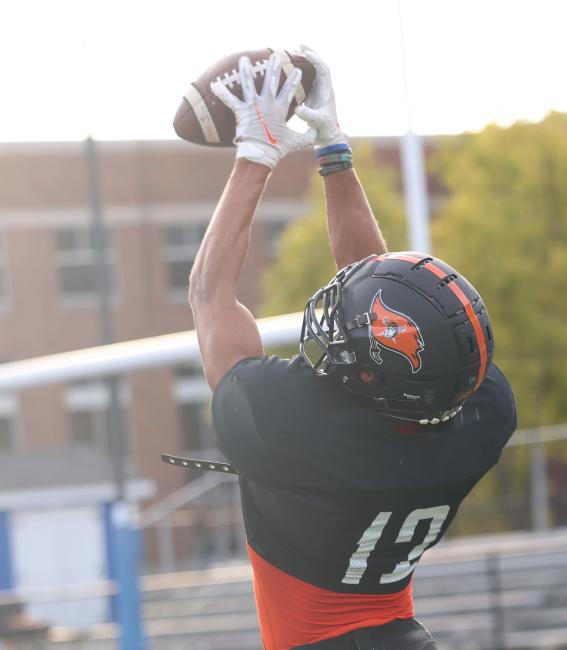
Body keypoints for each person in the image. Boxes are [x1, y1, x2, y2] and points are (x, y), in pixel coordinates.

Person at [189, 47, 516, 650]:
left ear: (373, 381)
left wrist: (256, 154)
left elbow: (211, 297)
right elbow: (377, 281)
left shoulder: (293, 426)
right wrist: (332, 149)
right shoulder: (481, 414)